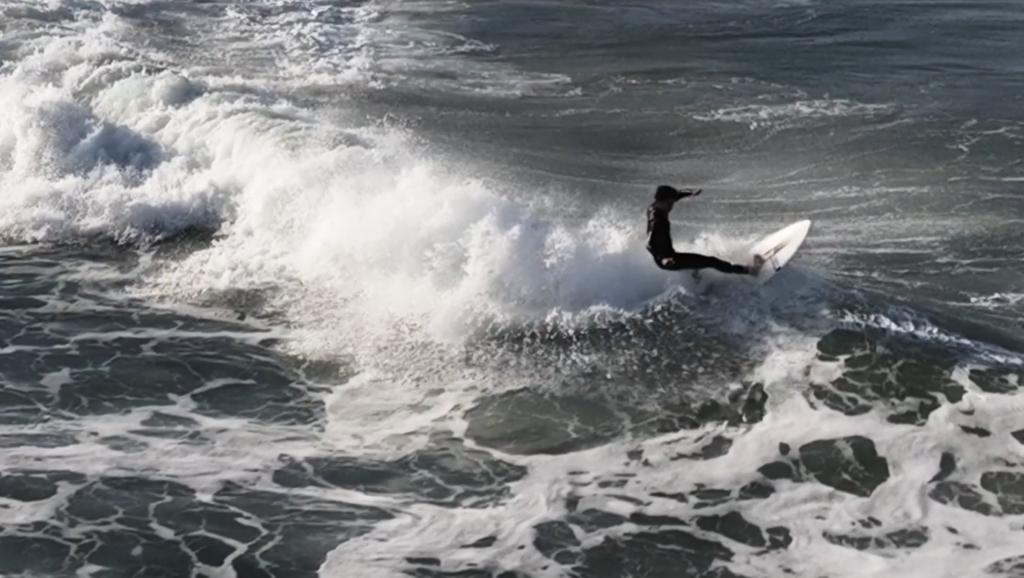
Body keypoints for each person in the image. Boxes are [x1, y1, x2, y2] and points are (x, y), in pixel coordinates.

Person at [646, 185, 760, 275]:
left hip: (670, 255)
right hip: (669, 260)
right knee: (712, 261)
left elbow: (676, 195)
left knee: (697, 264)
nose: (671, 206)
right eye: (670, 203)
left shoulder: (656, 205)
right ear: (663, 200)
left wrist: (690, 192)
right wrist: (664, 259)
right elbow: (649, 244)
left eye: (672, 202)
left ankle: (697, 281)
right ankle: (750, 271)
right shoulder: (656, 221)